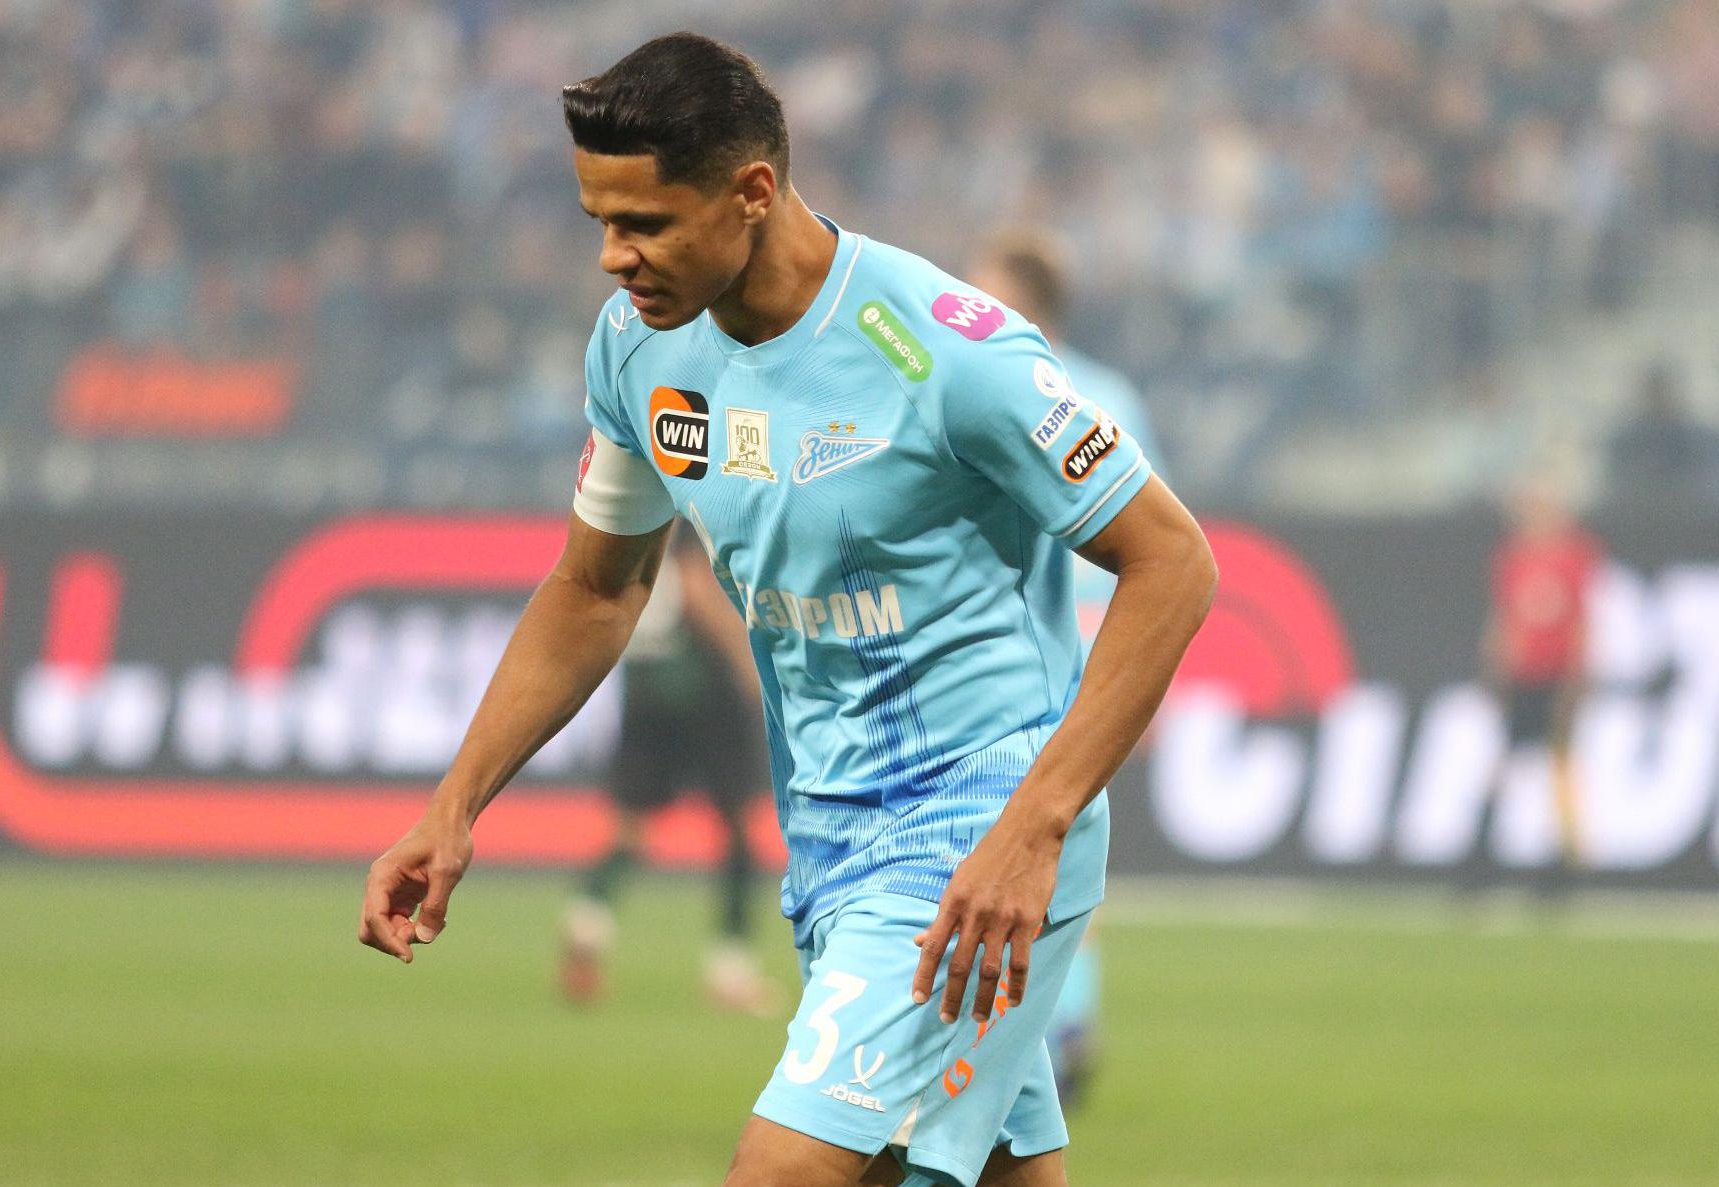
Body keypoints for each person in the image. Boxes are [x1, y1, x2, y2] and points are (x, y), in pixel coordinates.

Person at [358, 33, 1218, 1187]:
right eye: (599, 221)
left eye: (646, 223)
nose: (614, 257)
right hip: (831, 834)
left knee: (786, 1170)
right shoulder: (638, 350)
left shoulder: (946, 349)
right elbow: (595, 586)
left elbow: (1173, 560)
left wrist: (1037, 826)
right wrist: (454, 803)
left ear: (753, 191)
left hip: (980, 825)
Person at [965, 232, 1170, 1109]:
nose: (968, 303)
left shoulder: (1083, 396)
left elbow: (1157, 544)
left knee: (1052, 836)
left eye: (986, 290)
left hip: (1071, 652)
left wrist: (1145, 675)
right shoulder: (977, 377)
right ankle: (1051, 1028)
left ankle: (1053, 1027)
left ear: (1030, 302)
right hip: (1007, 658)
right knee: (1020, 840)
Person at [559, 528, 779, 1015]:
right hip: (703, 687)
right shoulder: (699, 508)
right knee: (739, 826)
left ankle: (586, 924)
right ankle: (731, 969)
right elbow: (697, 585)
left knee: (630, 828)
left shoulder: (642, 510)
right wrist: (748, 665)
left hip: (645, 680)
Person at [1483, 476, 1600, 882]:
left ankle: (1566, 857)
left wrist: (1578, 673)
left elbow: (1581, 618)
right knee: (1507, 757)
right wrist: (1496, 664)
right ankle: (1484, 847)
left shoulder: (1574, 555)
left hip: (1557, 673)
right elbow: (1505, 618)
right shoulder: (1512, 556)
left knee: (1560, 761)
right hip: (1523, 674)